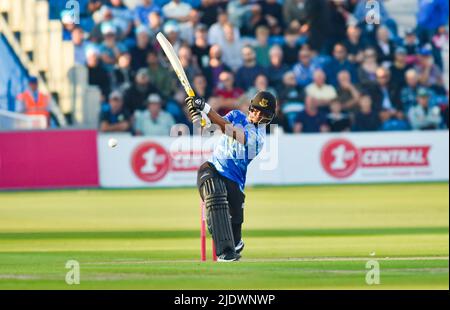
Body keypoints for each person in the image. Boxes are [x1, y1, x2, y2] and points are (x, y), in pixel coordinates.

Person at [187, 90, 277, 261]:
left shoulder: (258, 138)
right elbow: (212, 127)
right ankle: (225, 252)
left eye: (263, 113)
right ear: (250, 108)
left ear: (269, 117)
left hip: (234, 181)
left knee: (233, 227)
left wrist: (205, 107)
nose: (257, 115)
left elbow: (230, 131)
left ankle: (234, 242)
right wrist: (198, 115)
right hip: (212, 167)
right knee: (215, 194)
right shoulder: (236, 115)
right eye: (255, 110)